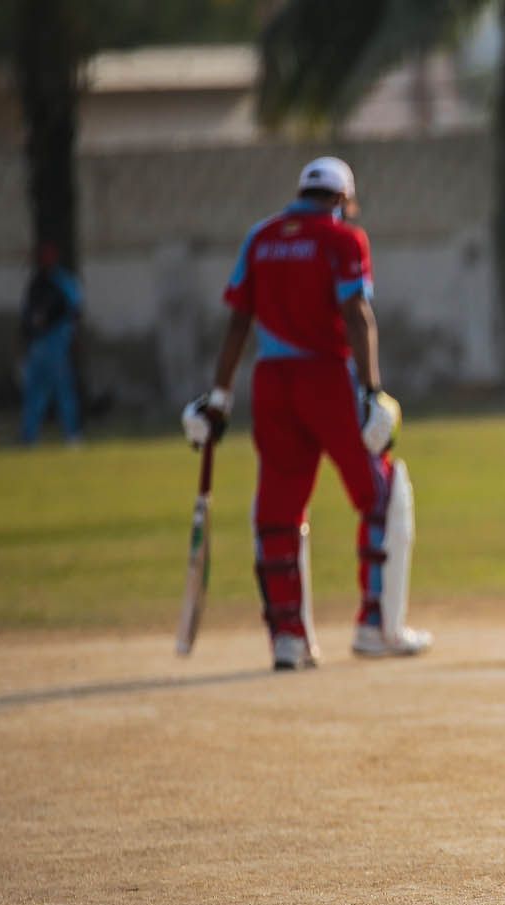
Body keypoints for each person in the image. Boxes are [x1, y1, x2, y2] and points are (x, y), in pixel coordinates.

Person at [181, 156, 432, 670]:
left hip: (271, 384)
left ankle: (288, 640)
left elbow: (238, 323)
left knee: (278, 509)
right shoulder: (344, 239)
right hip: (327, 380)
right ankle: (376, 627)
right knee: (380, 494)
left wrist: (219, 398)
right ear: (342, 199)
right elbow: (357, 314)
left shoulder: (260, 238)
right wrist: (372, 392)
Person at [19, 242, 83, 445]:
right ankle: (29, 436)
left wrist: (72, 336)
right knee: (34, 391)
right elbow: (26, 313)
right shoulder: (36, 282)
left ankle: (72, 434)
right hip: (38, 342)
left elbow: (75, 309)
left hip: (57, 340)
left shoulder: (63, 281)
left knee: (63, 389)